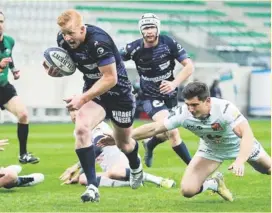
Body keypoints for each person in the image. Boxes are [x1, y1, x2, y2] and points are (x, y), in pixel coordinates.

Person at [99, 82, 271, 201]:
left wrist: (240, 160)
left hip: (240, 147)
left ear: (208, 101)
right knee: (187, 190)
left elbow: (247, 135)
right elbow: (154, 128)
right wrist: (120, 138)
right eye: (188, 104)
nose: (190, 109)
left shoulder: (225, 109)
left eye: (195, 105)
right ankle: (214, 184)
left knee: (268, 169)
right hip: (211, 150)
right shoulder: (184, 112)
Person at [42, 9, 143, 203]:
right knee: (81, 128)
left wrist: (81, 98)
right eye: (64, 33)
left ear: (82, 28)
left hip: (119, 94)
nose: (67, 38)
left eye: (71, 33)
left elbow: (111, 78)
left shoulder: (99, 42)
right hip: (95, 92)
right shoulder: (62, 40)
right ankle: (92, 186)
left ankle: (136, 166)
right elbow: (71, 65)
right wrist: (55, 71)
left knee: (124, 143)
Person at [120, 13, 194, 168]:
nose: (149, 31)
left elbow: (189, 66)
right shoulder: (133, 48)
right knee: (172, 131)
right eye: (146, 27)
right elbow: (112, 60)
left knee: (163, 133)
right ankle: (195, 168)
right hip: (149, 96)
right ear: (141, 30)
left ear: (158, 28)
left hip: (170, 95)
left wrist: (174, 84)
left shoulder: (168, 43)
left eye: (152, 27)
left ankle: (150, 145)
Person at [60, 121, 175, 189]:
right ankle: (129, 183)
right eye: (71, 111)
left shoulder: (98, 126)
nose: (74, 115)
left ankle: (160, 180)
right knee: (83, 179)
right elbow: (90, 156)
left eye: (76, 110)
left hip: (125, 160)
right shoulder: (78, 131)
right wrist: (78, 174)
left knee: (115, 172)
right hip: (109, 168)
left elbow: (98, 148)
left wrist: (75, 167)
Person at [0, 11, 39, 164]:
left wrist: (13, 69)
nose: (0, 25)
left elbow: (9, 56)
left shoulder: (9, 40)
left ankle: (23, 154)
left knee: (23, 114)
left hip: (4, 87)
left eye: (1, 21)